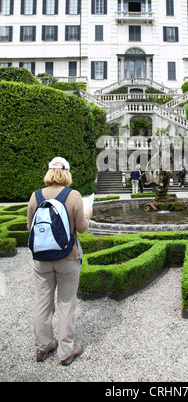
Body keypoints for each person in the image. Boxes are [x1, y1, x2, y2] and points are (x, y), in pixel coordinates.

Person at [27, 157, 92, 366]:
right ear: (67, 173)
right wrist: (87, 215)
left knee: (42, 302)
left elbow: (31, 229)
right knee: (66, 303)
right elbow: (81, 228)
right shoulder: (73, 196)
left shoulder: (35, 196)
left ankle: (43, 346)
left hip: (42, 259)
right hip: (68, 257)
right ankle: (66, 351)